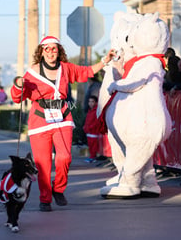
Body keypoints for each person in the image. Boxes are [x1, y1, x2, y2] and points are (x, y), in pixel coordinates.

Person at [11, 35, 115, 212]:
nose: (51, 52)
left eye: (54, 48)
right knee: (43, 165)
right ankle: (45, 199)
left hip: (62, 119)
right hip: (40, 121)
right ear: (41, 52)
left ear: (58, 51)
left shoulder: (66, 69)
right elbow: (17, 97)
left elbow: (86, 72)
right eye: (47, 49)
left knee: (65, 157)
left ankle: (58, 189)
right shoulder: (33, 72)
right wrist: (18, 84)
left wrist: (105, 60)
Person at [83, 95, 103, 163]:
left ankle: (93, 157)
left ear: (96, 102)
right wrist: (85, 127)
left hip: (94, 132)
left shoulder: (96, 111)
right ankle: (92, 156)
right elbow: (87, 120)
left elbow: (97, 122)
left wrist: (90, 127)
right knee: (90, 145)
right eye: (89, 101)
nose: (90, 103)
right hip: (89, 132)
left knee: (94, 145)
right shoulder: (90, 111)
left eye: (92, 101)